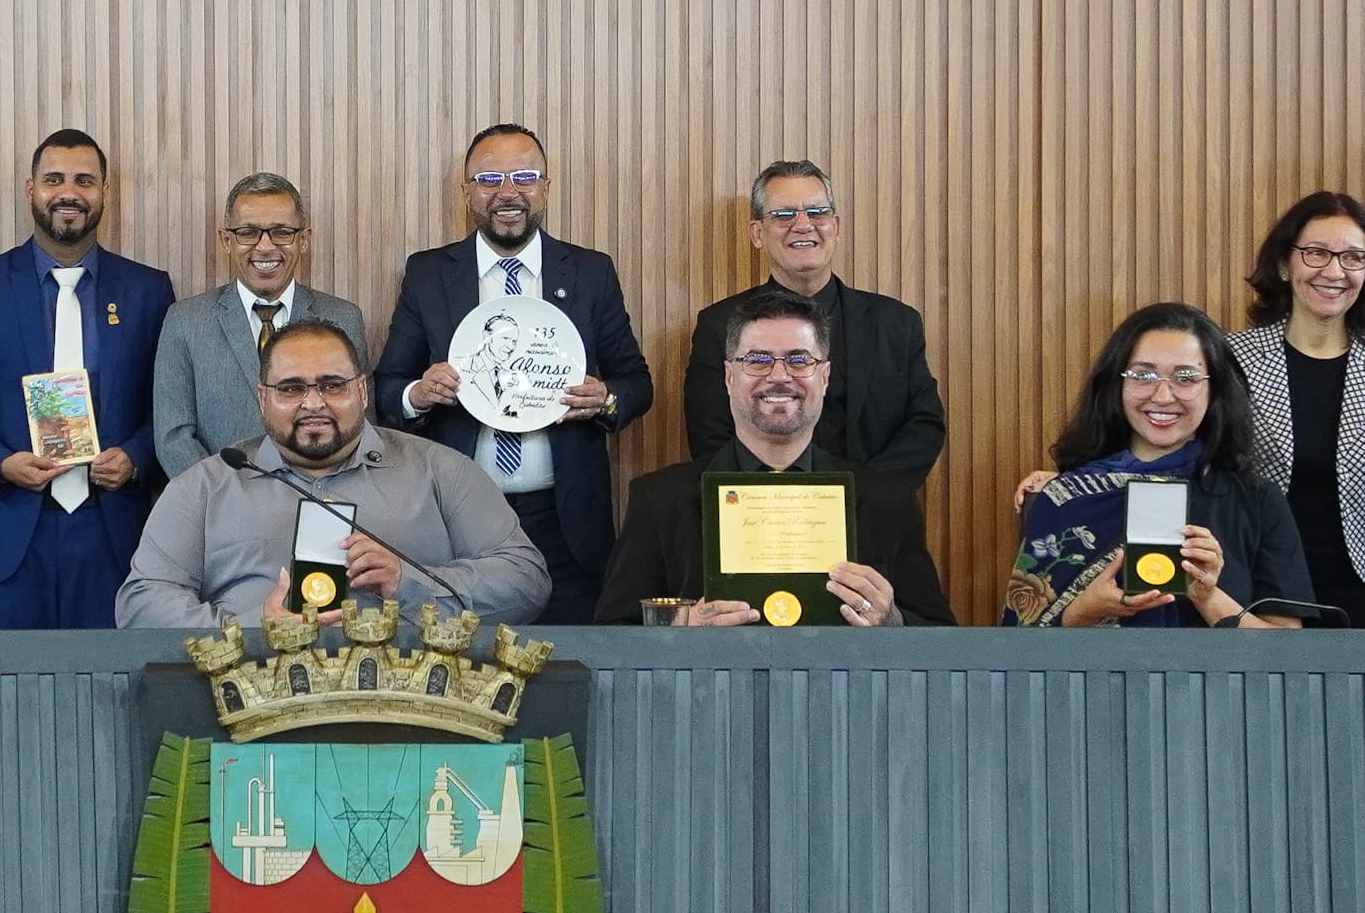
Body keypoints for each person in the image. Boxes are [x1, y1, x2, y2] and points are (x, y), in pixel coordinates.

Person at [375, 123, 655, 634]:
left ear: (546, 186)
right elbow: (387, 388)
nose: (508, 192)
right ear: (466, 192)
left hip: (564, 519)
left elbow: (637, 382)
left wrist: (607, 397)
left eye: (524, 176)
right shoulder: (428, 273)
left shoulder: (590, 271)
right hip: (458, 521)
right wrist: (419, 393)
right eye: (489, 179)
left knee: (567, 667)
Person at [117, 319, 551, 628]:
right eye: (291, 389)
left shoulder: (439, 470)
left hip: (413, 705)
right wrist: (251, 629)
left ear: (362, 391)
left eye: (332, 385)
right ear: (262, 398)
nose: (313, 404)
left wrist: (409, 585)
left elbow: (526, 580)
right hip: (249, 709)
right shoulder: (207, 485)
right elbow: (141, 605)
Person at [0, 129, 175, 628]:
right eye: (54, 179)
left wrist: (135, 457)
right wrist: (1, 464)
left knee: (113, 694)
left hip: (112, 531)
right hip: (10, 529)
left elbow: (170, 406)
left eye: (85, 180)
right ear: (30, 190)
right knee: (9, 693)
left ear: (105, 192)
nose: (69, 192)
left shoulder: (148, 290)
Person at [602, 288, 953, 626]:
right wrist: (680, 627)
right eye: (758, 360)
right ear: (728, 377)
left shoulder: (888, 502)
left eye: (800, 360)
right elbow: (609, 637)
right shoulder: (659, 500)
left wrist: (891, 621)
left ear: (826, 376)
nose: (780, 375)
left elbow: (941, 640)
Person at [1001, 303, 1307, 628]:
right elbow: (1018, 656)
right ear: (1116, 383)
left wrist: (1208, 596)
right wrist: (1082, 613)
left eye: (1185, 378)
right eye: (1143, 375)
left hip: (1209, 680)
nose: (1162, 395)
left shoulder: (1256, 501)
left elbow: (1286, 655)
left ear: (1214, 388)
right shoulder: (1063, 498)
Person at [1223, 191, 1365, 628]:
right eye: (1316, 253)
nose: (1334, 271)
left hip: (1357, 596)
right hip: (1253, 591)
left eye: (1352, 257)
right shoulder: (1233, 359)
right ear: (1284, 264)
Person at [676, 160, 948, 493]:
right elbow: (710, 437)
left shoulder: (896, 323)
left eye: (817, 212)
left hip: (877, 520)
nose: (803, 225)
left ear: (836, 225)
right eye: (784, 215)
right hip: (761, 520)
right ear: (757, 234)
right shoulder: (719, 325)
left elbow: (924, 425)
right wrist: (791, 507)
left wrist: (861, 500)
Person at [151, 173, 369, 476]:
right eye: (248, 232)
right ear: (226, 240)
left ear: (303, 239)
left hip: (319, 505)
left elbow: (357, 426)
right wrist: (226, 499)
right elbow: (173, 438)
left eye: (281, 232)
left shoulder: (344, 318)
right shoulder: (185, 322)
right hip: (221, 508)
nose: (265, 246)